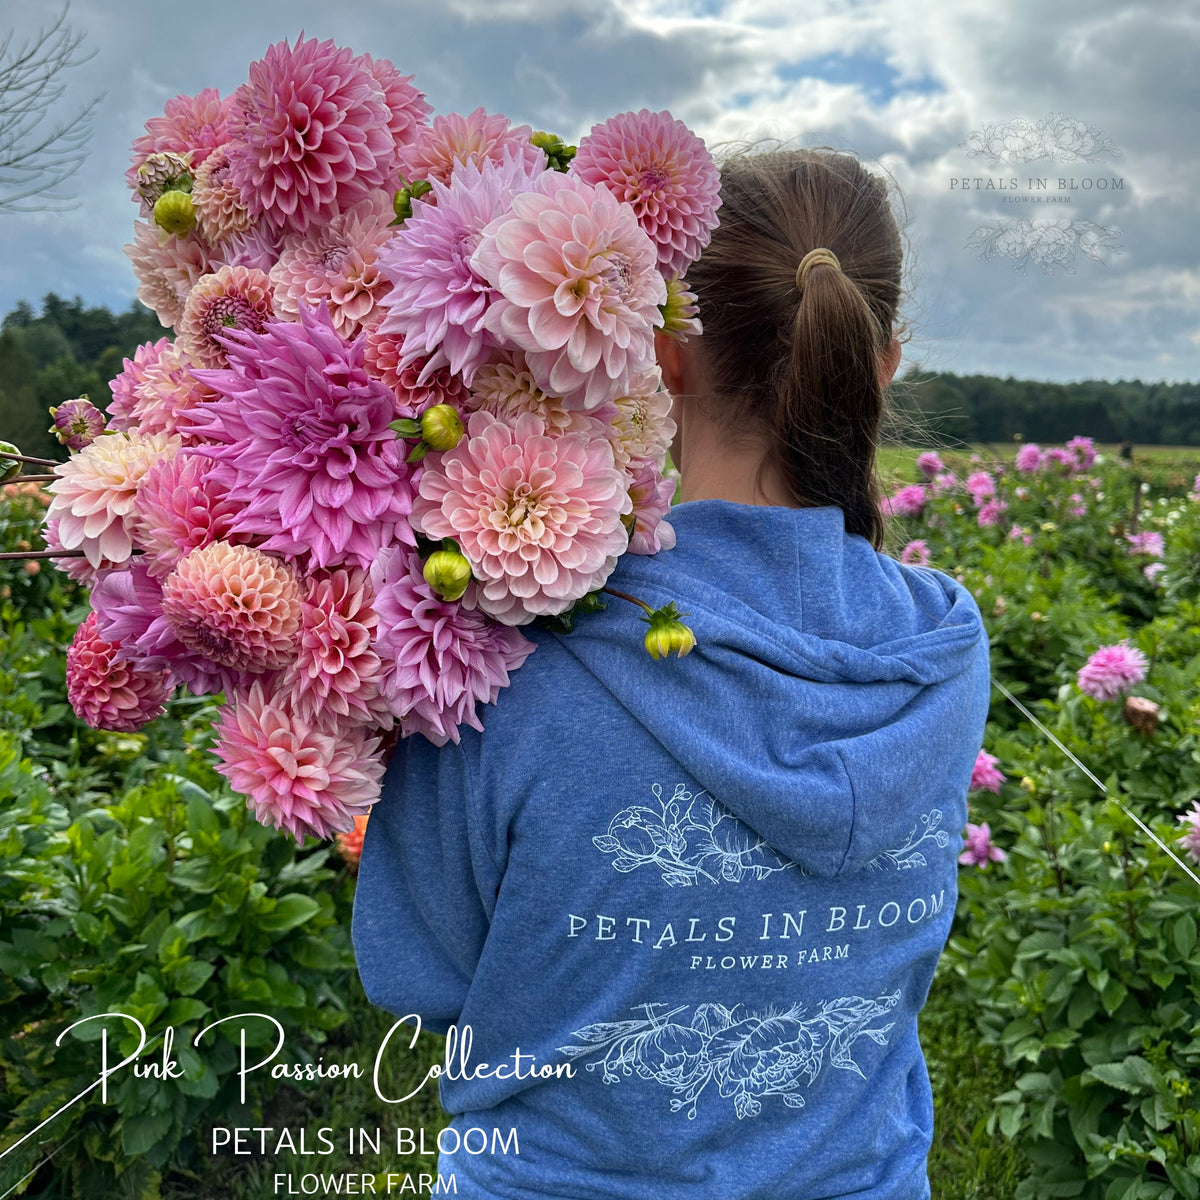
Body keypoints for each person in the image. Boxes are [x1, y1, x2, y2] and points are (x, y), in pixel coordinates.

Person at [353, 148, 992, 1199]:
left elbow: (420, 972)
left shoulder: (514, 644)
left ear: (665, 350)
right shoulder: (942, 649)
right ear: (883, 362)